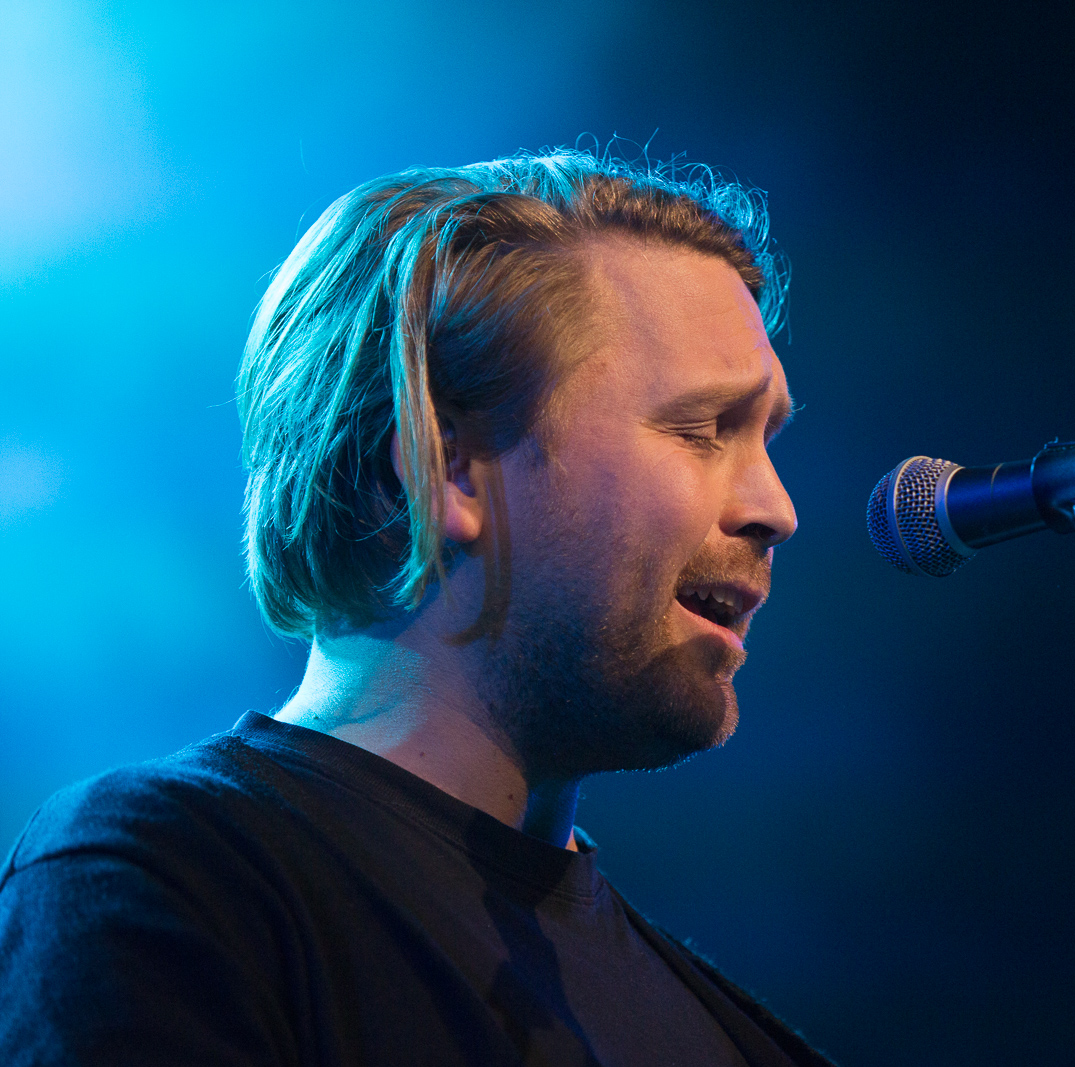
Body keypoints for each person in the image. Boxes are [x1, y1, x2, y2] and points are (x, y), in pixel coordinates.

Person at [0, 149, 832, 1066]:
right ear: (450, 469)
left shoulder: (739, 1040)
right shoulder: (171, 879)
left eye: (767, 438)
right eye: (703, 428)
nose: (776, 508)